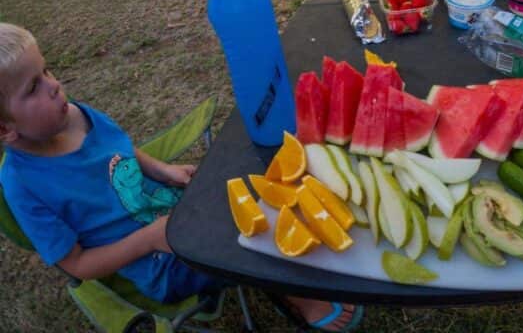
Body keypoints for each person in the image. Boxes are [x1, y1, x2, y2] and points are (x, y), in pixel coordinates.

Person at [0, 22, 362, 332]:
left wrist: (162, 170)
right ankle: (296, 294)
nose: (54, 85)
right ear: (5, 129)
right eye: (32, 88)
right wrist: (150, 239)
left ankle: (303, 250)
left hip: (175, 210)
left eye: (46, 71)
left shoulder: (76, 114)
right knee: (238, 238)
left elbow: (121, 150)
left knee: (249, 181)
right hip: (156, 263)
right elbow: (78, 265)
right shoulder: (24, 186)